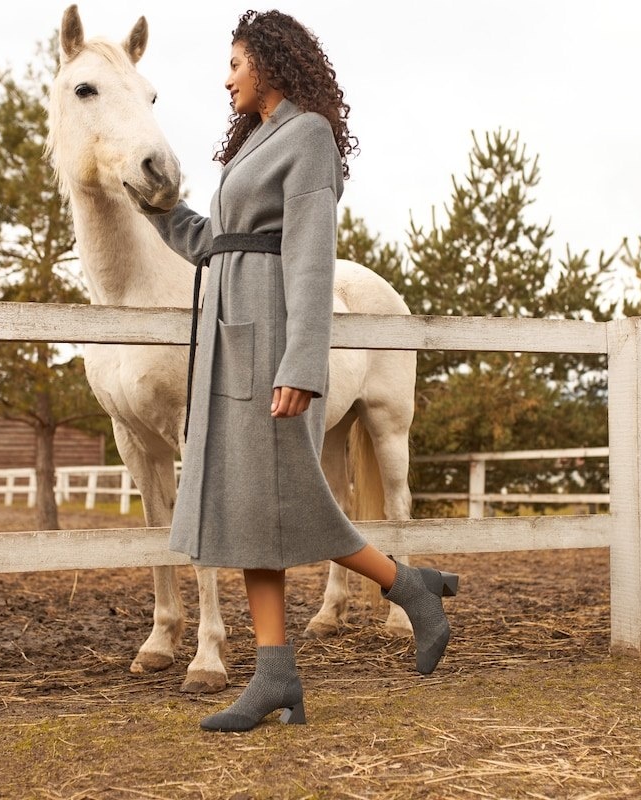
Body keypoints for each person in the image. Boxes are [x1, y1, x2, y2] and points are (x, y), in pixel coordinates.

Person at [146, 9, 458, 732]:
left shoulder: (309, 137)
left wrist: (303, 362)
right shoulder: (253, 143)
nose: (225, 78)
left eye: (235, 62)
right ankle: (278, 675)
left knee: (291, 499)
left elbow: (313, 259)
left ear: (271, 62)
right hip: (229, 340)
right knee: (252, 513)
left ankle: (410, 588)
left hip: (272, 346)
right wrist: (156, 207)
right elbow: (217, 243)